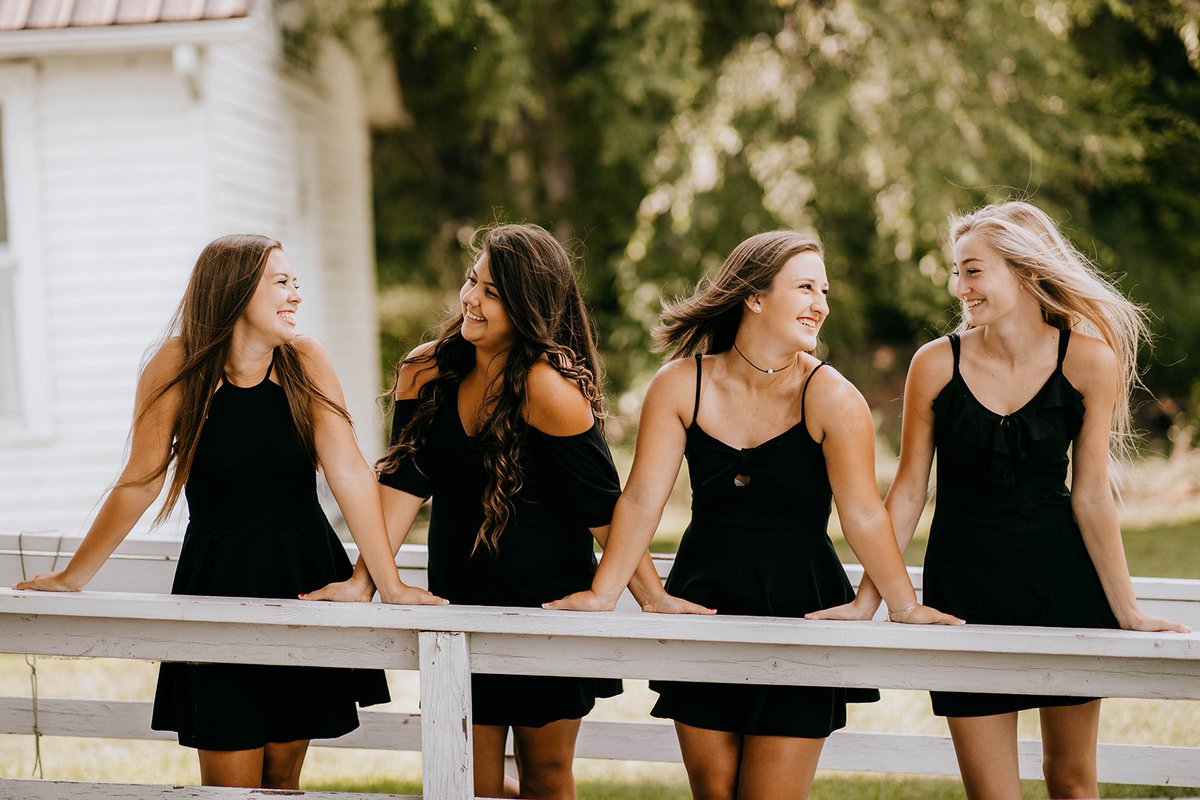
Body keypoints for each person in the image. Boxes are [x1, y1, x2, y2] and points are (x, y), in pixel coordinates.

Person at [13, 234, 442, 789]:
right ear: (237, 291)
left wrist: (390, 584)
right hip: (215, 580)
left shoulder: (304, 359)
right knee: (229, 783)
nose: (296, 296)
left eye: (296, 283)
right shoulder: (178, 364)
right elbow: (141, 482)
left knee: (282, 780)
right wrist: (73, 577)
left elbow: (351, 473)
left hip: (302, 577)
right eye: (281, 283)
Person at [548, 230, 961, 800]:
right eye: (805, 287)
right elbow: (642, 499)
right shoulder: (679, 384)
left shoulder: (833, 397)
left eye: (825, 290)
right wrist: (604, 592)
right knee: (715, 794)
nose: (821, 303)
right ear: (755, 297)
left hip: (801, 611)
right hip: (705, 603)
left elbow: (863, 515)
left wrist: (903, 605)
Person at [323, 223, 682, 800]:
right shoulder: (424, 371)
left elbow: (606, 512)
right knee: (465, 782)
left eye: (492, 292)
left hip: (547, 612)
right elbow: (401, 486)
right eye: (472, 281)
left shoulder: (549, 390)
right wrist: (365, 579)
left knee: (544, 780)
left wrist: (651, 597)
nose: (470, 298)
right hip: (457, 609)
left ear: (529, 307)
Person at [853, 200, 1190, 799]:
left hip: (1064, 588)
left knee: (1072, 781)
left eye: (973, 270)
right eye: (957, 272)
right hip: (965, 592)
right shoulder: (934, 365)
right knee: (993, 795)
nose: (960, 287)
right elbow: (907, 492)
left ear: (1026, 271)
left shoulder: (1089, 360)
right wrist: (867, 601)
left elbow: (1090, 497)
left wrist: (1129, 611)